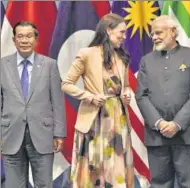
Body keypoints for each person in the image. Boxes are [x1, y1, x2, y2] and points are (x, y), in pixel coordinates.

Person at [61, 13, 134, 188]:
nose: (124, 37)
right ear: (109, 30)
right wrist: (90, 97)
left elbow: (126, 86)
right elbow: (66, 84)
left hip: (118, 120)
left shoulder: (122, 56)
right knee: (92, 168)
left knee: (117, 167)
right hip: (94, 119)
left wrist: (126, 93)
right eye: (121, 32)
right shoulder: (86, 54)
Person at [135, 15, 190, 188]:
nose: (154, 37)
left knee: (189, 184)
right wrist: (159, 123)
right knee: (160, 184)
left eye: (158, 32)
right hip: (157, 135)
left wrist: (177, 123)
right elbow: (141, 95)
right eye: (152, 34)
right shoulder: (147, 60)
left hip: (187, 134)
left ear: (173, 31)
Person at [1, 21, 66, 188]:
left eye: (29, 36)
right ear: (14, 40)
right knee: (14, 185)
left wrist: (59, 133)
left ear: (36, 39)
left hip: (43, 134)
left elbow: (57, 101)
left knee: (44, 184)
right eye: (20, 37)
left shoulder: (49, 65)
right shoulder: (2, 66)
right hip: (10, 134)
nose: (24, 40)